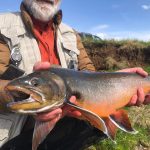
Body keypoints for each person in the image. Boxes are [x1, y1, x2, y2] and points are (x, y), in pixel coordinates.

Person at [0, 0, 149, 150]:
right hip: (15, 137)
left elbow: (89, 73)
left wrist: (117, 81)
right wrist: (18, 96)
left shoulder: (71, 33)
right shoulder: (2, 24)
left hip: (68, 134)